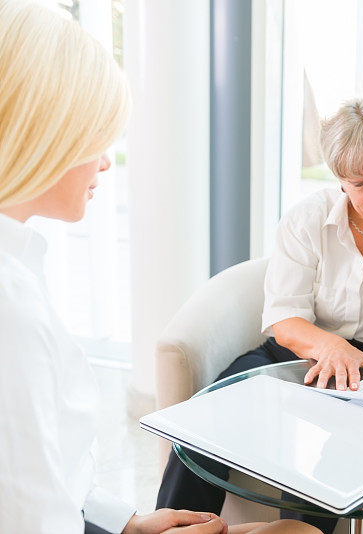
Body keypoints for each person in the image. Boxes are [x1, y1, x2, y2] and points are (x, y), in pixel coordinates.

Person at [0, 2, 321, 534]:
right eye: (95, 137)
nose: (106, 160)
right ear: (43, 134)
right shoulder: (11, 314)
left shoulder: (20, 267)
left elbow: (38, 481)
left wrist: (125, 521)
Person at [157, 99, 363, 532]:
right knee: (205, 423)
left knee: (317, 469)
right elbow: (285, 319)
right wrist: (331, 347)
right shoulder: (307, 219)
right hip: (296, 350)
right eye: (359, 182)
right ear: (339, 181)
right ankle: (168, 528)